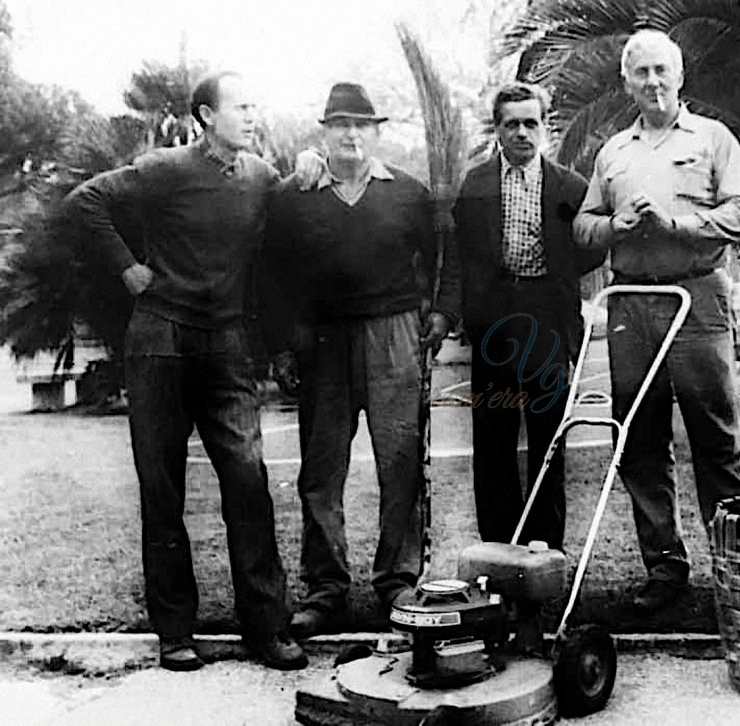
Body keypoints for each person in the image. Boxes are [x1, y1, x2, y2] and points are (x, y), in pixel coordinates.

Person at [66, 72, 306, 671]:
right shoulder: (167, 168)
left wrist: (307, 167)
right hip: (160, 339)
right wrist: (126, 267)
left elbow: (292, 226)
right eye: (241, 106)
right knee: (163, 487)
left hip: (227, 343)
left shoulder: (261, 179)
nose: (253, 115)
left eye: (256, 104)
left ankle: (267, 628)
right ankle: (175, 632)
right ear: (206, 115)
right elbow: (86, 201)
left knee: (249, 481)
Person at [262, 82, 459, 638]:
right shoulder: (293, 197)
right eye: (340, 124)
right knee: (322, 470)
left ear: (376, 133)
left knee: (400, 462)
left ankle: (398, 579)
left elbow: (450, 257)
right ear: (323, 132)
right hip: (322, 342)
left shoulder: (408, 193)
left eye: (361, 125)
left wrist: (442, 313)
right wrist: (281, 343)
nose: (350, 134)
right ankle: (326, 588)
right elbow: (270, 275)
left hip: (394, 336)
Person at [574, 29, 740, 611]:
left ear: (680, 77)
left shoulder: (712, 139)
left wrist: (679, 225)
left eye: (661, 71)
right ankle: (664, 568)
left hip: (696, 301)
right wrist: (614, 229)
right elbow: (583, 226)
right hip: (631, 305)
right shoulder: (613, 152)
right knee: (638, 440)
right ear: (625, 82)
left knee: (716, 438)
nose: (652, 83)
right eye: (641, 74)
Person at [453, 82, 604, 552]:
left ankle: (545, 549)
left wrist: (555, 283)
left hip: (548, 321)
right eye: (511, 123)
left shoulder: (571, 187)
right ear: (497, 129)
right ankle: (499, 548)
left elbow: (587, 250)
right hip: (496, 322)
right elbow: (461, 254)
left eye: (530, 123)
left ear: (545, 126)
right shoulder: (476, 186)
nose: (522, 132)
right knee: (494, 439)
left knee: (548, 439)